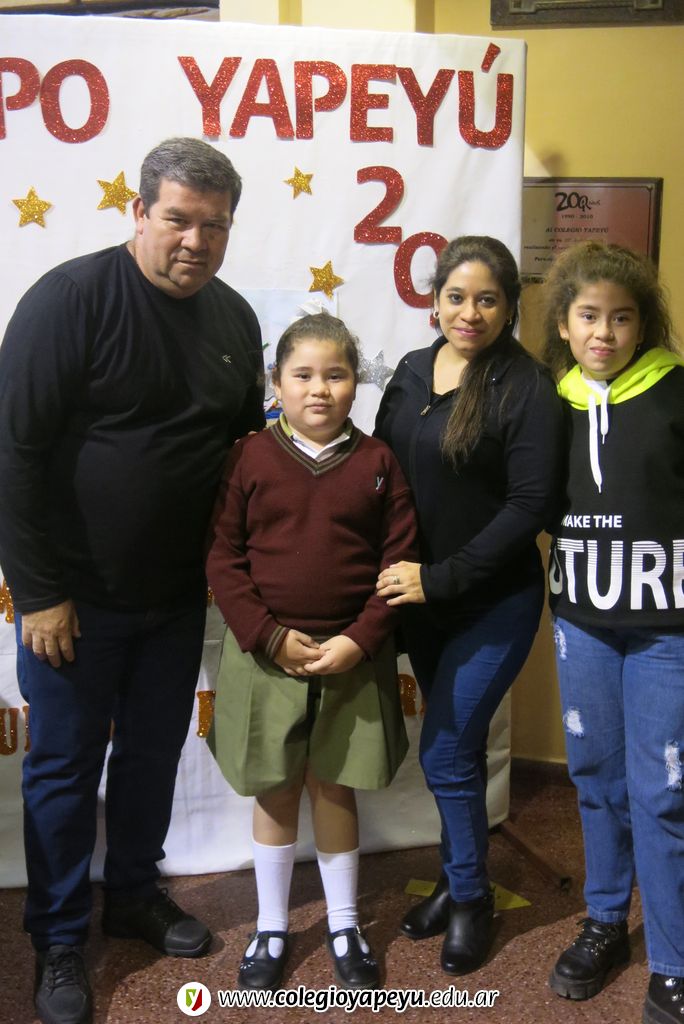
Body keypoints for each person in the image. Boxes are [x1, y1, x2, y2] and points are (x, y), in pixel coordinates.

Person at [0, 137, 265, 1024]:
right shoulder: (69, 300)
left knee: (153, 754)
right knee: (64, 770)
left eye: (214, 226)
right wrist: (39, 592)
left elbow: (238, 455)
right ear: (139, 211)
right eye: (178, 219)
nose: (195, 241)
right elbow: (14, 455)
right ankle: (58, 937)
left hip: (175, 597)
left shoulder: (234, 318)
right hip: (72, 602)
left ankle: (135, 895)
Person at [206, 312, 417, 991]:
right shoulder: (250, 458)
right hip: (267, 655)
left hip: (351, 655)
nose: (319, 389)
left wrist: (360, 639)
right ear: (277, 383)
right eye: (302, 375)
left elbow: (398, 563)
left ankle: (345, 925)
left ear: (356, 382)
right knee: (275, 788)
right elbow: (223, 558)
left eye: (336, 374)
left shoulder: (379, 463)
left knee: (334, 785)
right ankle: (271, 926)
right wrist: (268, 635)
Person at [374, 236, 563, 975]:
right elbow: (381, 472)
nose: (470, 313)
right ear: (435, 300)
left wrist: (442, 578)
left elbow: (529, 506)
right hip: (423, 604)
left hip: (492, 601)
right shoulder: (411, 372)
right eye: (456, 296)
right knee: (460, 751)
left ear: (510, 306)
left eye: (488, 299)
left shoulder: (526, 386)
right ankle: (458, 883)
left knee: (447, 749)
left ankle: (472, 899)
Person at [542, 241, 684, 1023]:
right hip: (582, 623)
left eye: (621, 318)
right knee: (594, 777)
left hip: (667, 628)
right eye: (589, 316)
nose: (604, 332)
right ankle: (604, 922)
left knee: (661, 790)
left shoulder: (674, 390)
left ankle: (673, 958)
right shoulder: (550, 401)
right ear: (564, 324)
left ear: (643, 325)